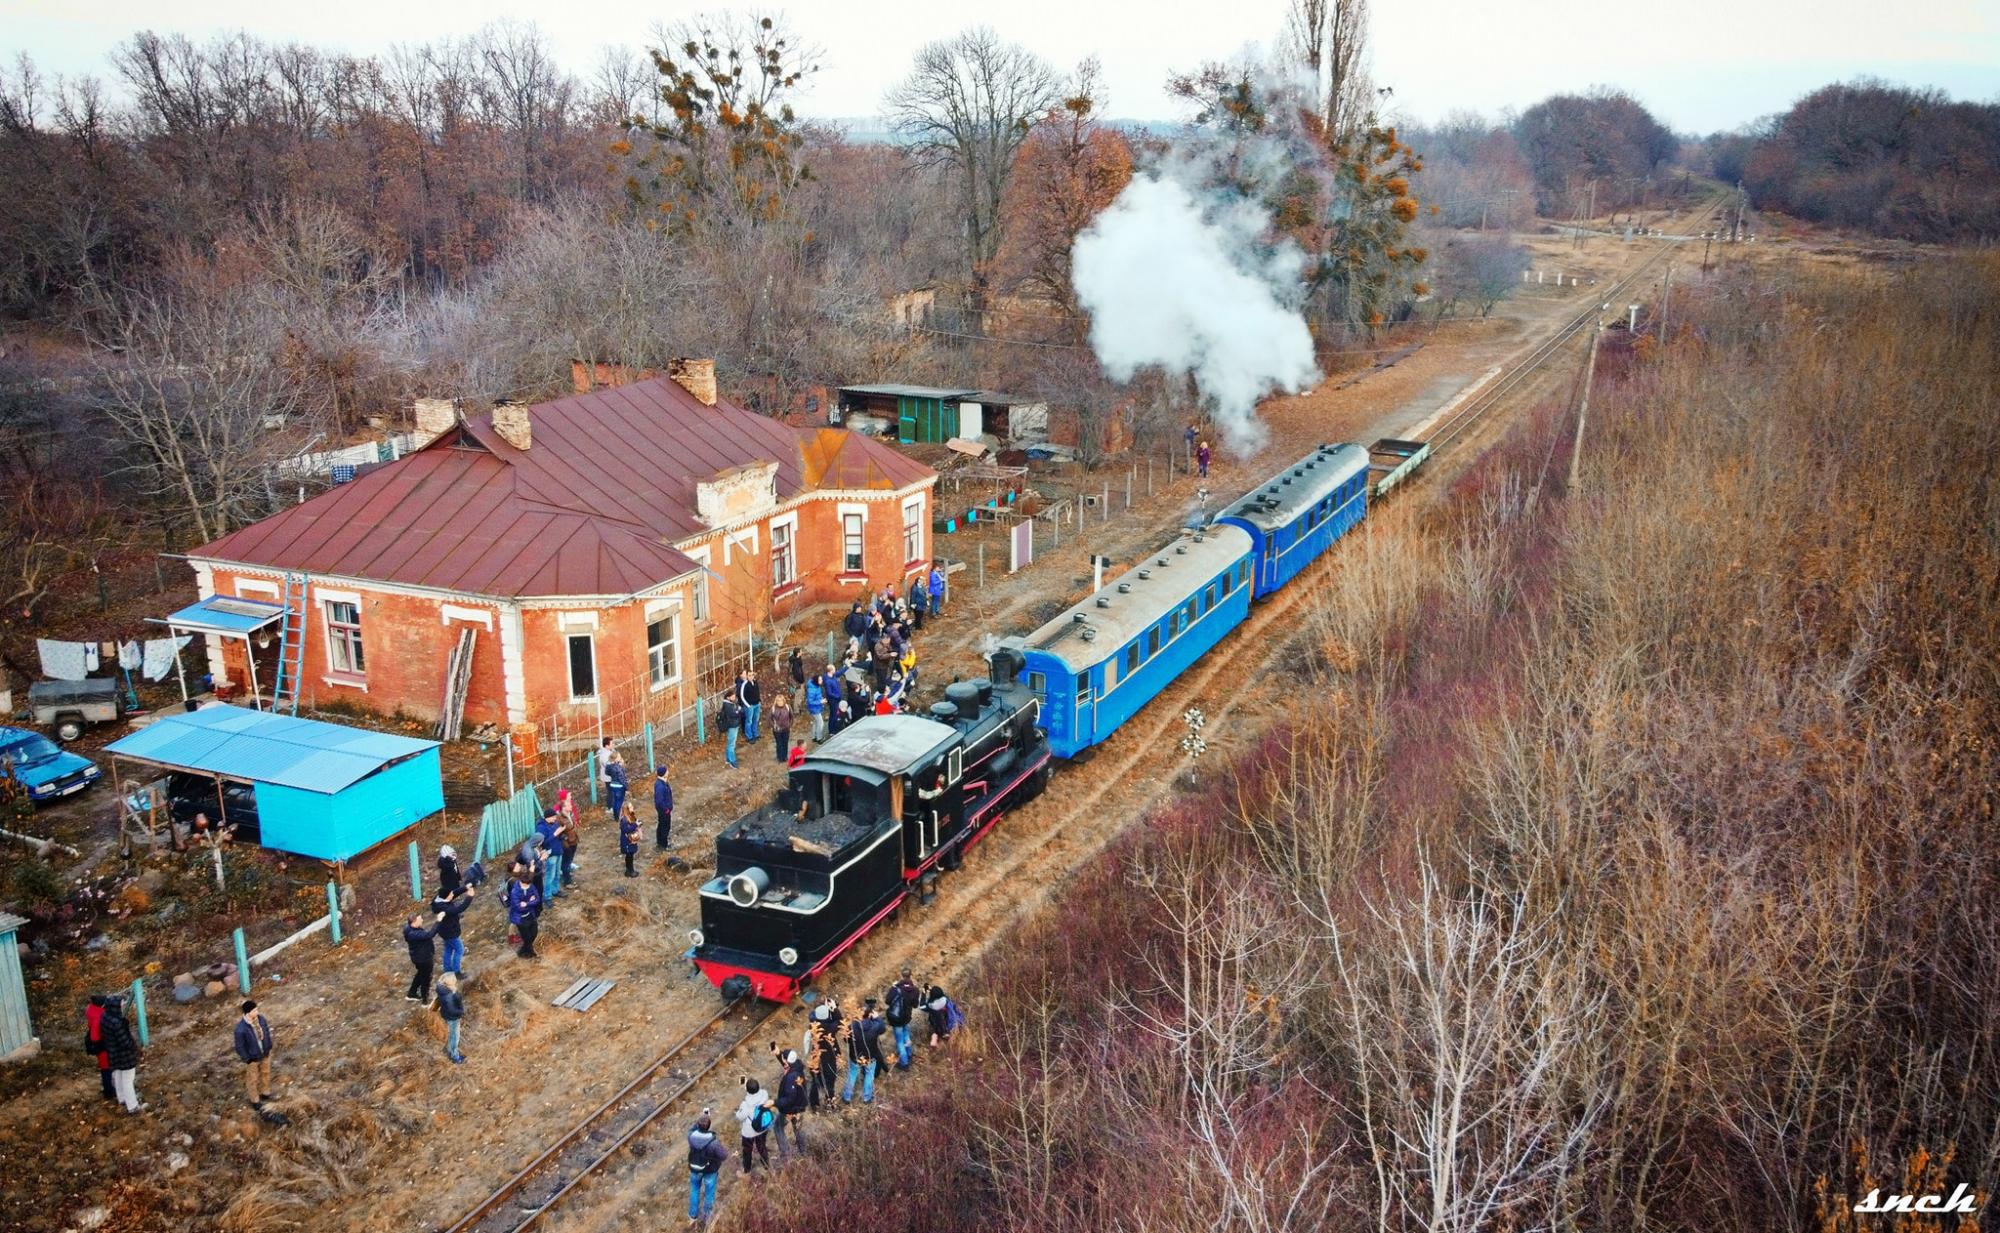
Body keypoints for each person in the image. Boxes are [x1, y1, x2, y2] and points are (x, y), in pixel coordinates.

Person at [101, 994, 142, 1113]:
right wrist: (134, 1047)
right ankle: (132, 1106)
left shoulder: (105, 1017)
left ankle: (122, 1098)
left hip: (113, 1053)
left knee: (118, 1074)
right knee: (128, 1079)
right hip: (124, 1055)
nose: (122, 1006)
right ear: (115, 1007)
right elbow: (125, 1041)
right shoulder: (117, 1023)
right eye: (121, 1004)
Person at [843, 999, 887, 1104]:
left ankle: (846, 1096)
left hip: (855, 1056)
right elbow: (883, 1028)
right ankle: (867, 1098)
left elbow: (846, 1040)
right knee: (869, 1075)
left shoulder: (852, 1026)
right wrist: (877, 1018)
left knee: (852, 1074)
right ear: (869, 1015)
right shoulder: (875, 1026)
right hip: (870, 1056)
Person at [234, 1000, 275, 1109]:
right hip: (253, 1058)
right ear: (248, 1013)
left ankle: (265, 1092)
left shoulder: (261, 1019)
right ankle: (255, 1100)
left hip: (265, 1052)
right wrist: (247, 1059)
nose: (257, 1012)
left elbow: (266, 1032)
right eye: (255, 1010)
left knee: (265, 1072)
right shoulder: (240, 1029)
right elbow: (239, 1047)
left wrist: (268, 1045)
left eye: (257, 1009)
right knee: (253, 1078)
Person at [770, 1045, 809, 1159]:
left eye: (783, 1058)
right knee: (798, 1128)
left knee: (778, 1127)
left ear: (787, 1061)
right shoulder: (797, 1066)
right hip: (799, 1107)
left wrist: (774, 1102)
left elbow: (789, 1099)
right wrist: (778, 1053)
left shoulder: (791, 1078)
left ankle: (785, 1155)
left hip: (790, 1109)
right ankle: (803, 1152)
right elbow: (786, 1063)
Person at [687, 1111, 725, 1222]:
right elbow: (724, 1156)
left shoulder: (691, 1137)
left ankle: (692, 1216)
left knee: (694, 1190)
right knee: (709, 1193)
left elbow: (691, 1129)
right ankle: (707, 1218)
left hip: (694, 1169)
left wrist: (700, 1119)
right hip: (710, 1171)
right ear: (709, 1126)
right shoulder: (713, 1142)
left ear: (698, 1125)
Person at [430, 884, 474, 977]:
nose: (452, 895)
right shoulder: (445, 908)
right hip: (450, 932)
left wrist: (465, 888)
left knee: (448, 949)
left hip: (444, 930)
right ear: (446, 897)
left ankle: (447, 970)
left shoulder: (439, 899)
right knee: (459, 949)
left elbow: (453, 893)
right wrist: (469, 897)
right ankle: (457, 972)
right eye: (450, 895)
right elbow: (459, 909)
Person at [805, 1001, 842, 1111]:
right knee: (830, 1081)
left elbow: (813, 1013)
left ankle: (814, 1104)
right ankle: (829, 1101)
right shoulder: (830, 1028)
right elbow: (840, 1021)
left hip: (816, 1058)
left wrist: (822, 1007)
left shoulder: (812, 1023)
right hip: (829, 1058)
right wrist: (834, 1009)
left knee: (815, 1082)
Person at [735, 1078, 774, 1173]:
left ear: (747, 1090)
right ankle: (766, 1165)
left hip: (749, 1132)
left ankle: (747, 1169)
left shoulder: (745, 1104)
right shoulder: (764, 1094)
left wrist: (737, 1112)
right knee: (762, 1146)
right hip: (762, 1127)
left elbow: (740, 1117)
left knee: (747, 1150)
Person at [403, 909, 443, 1003]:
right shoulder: (415, 934)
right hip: (423, 959)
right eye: (420, 919)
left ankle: (411, 993)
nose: (422, 920)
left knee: (420, 974)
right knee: (426, 978)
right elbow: (430, 935)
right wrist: (438, 921)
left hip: (417, 957)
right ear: (414, 922)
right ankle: (425, 1000)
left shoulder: (408, 928)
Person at [886, 968, 922, 1069]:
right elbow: (915, 1005)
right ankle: (909, 1054)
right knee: (906, 1035)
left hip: (896, 1019)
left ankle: (904, 1063)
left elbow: (887, 1001)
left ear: (901, 976)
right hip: (906, 1018)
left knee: (899, 1041)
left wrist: (892, 988)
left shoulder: (896, 988)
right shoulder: (915, 990)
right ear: (911, 975)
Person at [83, 993, 113, 1101]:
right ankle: (108, 1091)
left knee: (105, 1068)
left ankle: (108, 1088)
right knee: (106, 1069)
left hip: (99, 1046)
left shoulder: (91, 1010)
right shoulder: (98, 1017)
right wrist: (104, 1035)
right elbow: (95, 1037)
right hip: (102, 1046)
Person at [508, 868, 542, 958]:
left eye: (529, 885)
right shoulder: (515, 891)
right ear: (521, 882)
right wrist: (531, 900)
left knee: (534, 933)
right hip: (520, 918)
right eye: (526, 885)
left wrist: (526, 903)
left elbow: (538, 900)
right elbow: (518, 908)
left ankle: (522, 951)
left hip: (530, 914)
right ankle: (530, 953)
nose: (528, 887)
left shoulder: (530, 886)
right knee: (527, 938)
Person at [436, 972, 466, 1063]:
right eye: (454, 980)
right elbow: (452, 1010)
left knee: (451, 1034)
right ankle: (454, 1056)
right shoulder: (449, 996)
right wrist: (462, 1012)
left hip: (447, 1015)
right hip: (453, 1018)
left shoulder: (443, 990)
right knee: (454, 1036)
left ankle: (450, 1049)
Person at [599, 739, 626, 818]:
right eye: (612, 743)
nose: (613, 744)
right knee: (611, 792)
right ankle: (610, 807)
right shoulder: (603, 755)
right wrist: (618, 762)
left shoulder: (612, 751)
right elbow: (609, 764)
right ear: (606, 745)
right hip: (609, 777)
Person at [719, 691, 742, 769]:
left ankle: (728, 759)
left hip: (735, 725)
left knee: (730, 743)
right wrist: (739, 712)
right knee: (732, 744)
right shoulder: (727, 705)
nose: (734, 697)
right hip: (732, 726)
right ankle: (732, 761)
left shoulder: (732, 703)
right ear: (728, 697)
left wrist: (738, 711)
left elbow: (737, 712)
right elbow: (734, 714)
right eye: (732, 696)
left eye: (734, 696)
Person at [652, 765, 673, 850]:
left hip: (664, 810)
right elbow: (659, 801)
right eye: (666, 771)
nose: (668, 772)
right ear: (664, 773)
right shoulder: (660, 786)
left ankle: (660, 842)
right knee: (665, 827)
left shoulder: (663, 782)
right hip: (664, 811)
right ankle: (664, 845)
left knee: (661, 825)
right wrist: (666, 809)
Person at [925, 984, 952, 1049]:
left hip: (934, 1022)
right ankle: (945, 1034)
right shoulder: (945, 999)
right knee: (943, 1018)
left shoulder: (931, 1004)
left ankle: (934, 1039)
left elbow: (925, 1005)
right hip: (945, 1020)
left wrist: (926, 991)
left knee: (935, 1030)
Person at [618, 803, 641, 877]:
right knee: (629, 856)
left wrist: (637, 823)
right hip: (627, 842)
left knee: (630, 855)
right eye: (631, 807)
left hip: (630, 841)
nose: (633, 808)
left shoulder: (630, 816)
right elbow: (626, 829)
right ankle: (630, 871)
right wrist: (635, 825)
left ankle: (630, 870)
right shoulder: (624, 820)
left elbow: (633, 823)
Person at [768, 694, 792, 763]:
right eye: (778, 701)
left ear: (783, 701)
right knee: (779, 743)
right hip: (777, 730)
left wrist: (789, 725)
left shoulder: (788, 707)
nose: (780, 702)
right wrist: (774, 726)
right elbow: (769, 719)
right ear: (776, 701)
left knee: (785, 743)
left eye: (781, 701)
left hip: (786, 729)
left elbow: (791, 717)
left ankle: (785, 756)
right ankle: (780, 757)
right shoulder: (773, 708)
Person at [739, 672, 761, 742]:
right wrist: (748, 705)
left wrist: (759, 701)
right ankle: (749, 736)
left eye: (752, 675)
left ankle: (755, 733)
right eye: (749, 675)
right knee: (749, 721)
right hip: (750, 706)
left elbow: (757, 692)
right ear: (747, 676)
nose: (751, 677)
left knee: (755, 719)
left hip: (757, 704)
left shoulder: (755, 682)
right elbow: (742, 696)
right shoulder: (745, 684)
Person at [805, 673, 827, 743]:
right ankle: (819, 738)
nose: (821, 681)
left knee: (815, 722)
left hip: (817, 707)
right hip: (814, 709)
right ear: (816, 680)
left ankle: (814, 737)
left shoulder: (816, 686)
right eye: (820, 680)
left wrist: (821, 699)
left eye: (821, 679)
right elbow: (810, 701)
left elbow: (817, 696)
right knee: (821, 723)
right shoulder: (812, 690)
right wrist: (820, 701)